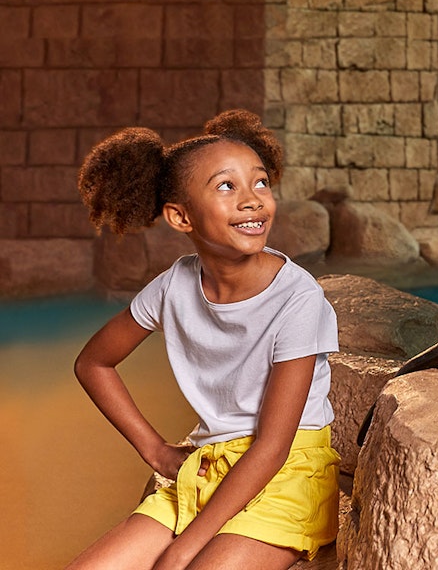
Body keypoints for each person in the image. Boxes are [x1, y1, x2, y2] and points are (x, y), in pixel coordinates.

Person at [68, 109, 340, 570]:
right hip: (206, 469)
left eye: (260, 183)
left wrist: (182, 549)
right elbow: (93, 363)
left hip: (286, 474)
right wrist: (155, 451)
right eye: (226, 186)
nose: (253, 200)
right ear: (180, 216)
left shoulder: (298, 298)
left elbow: (273, 447)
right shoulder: (174, 285)